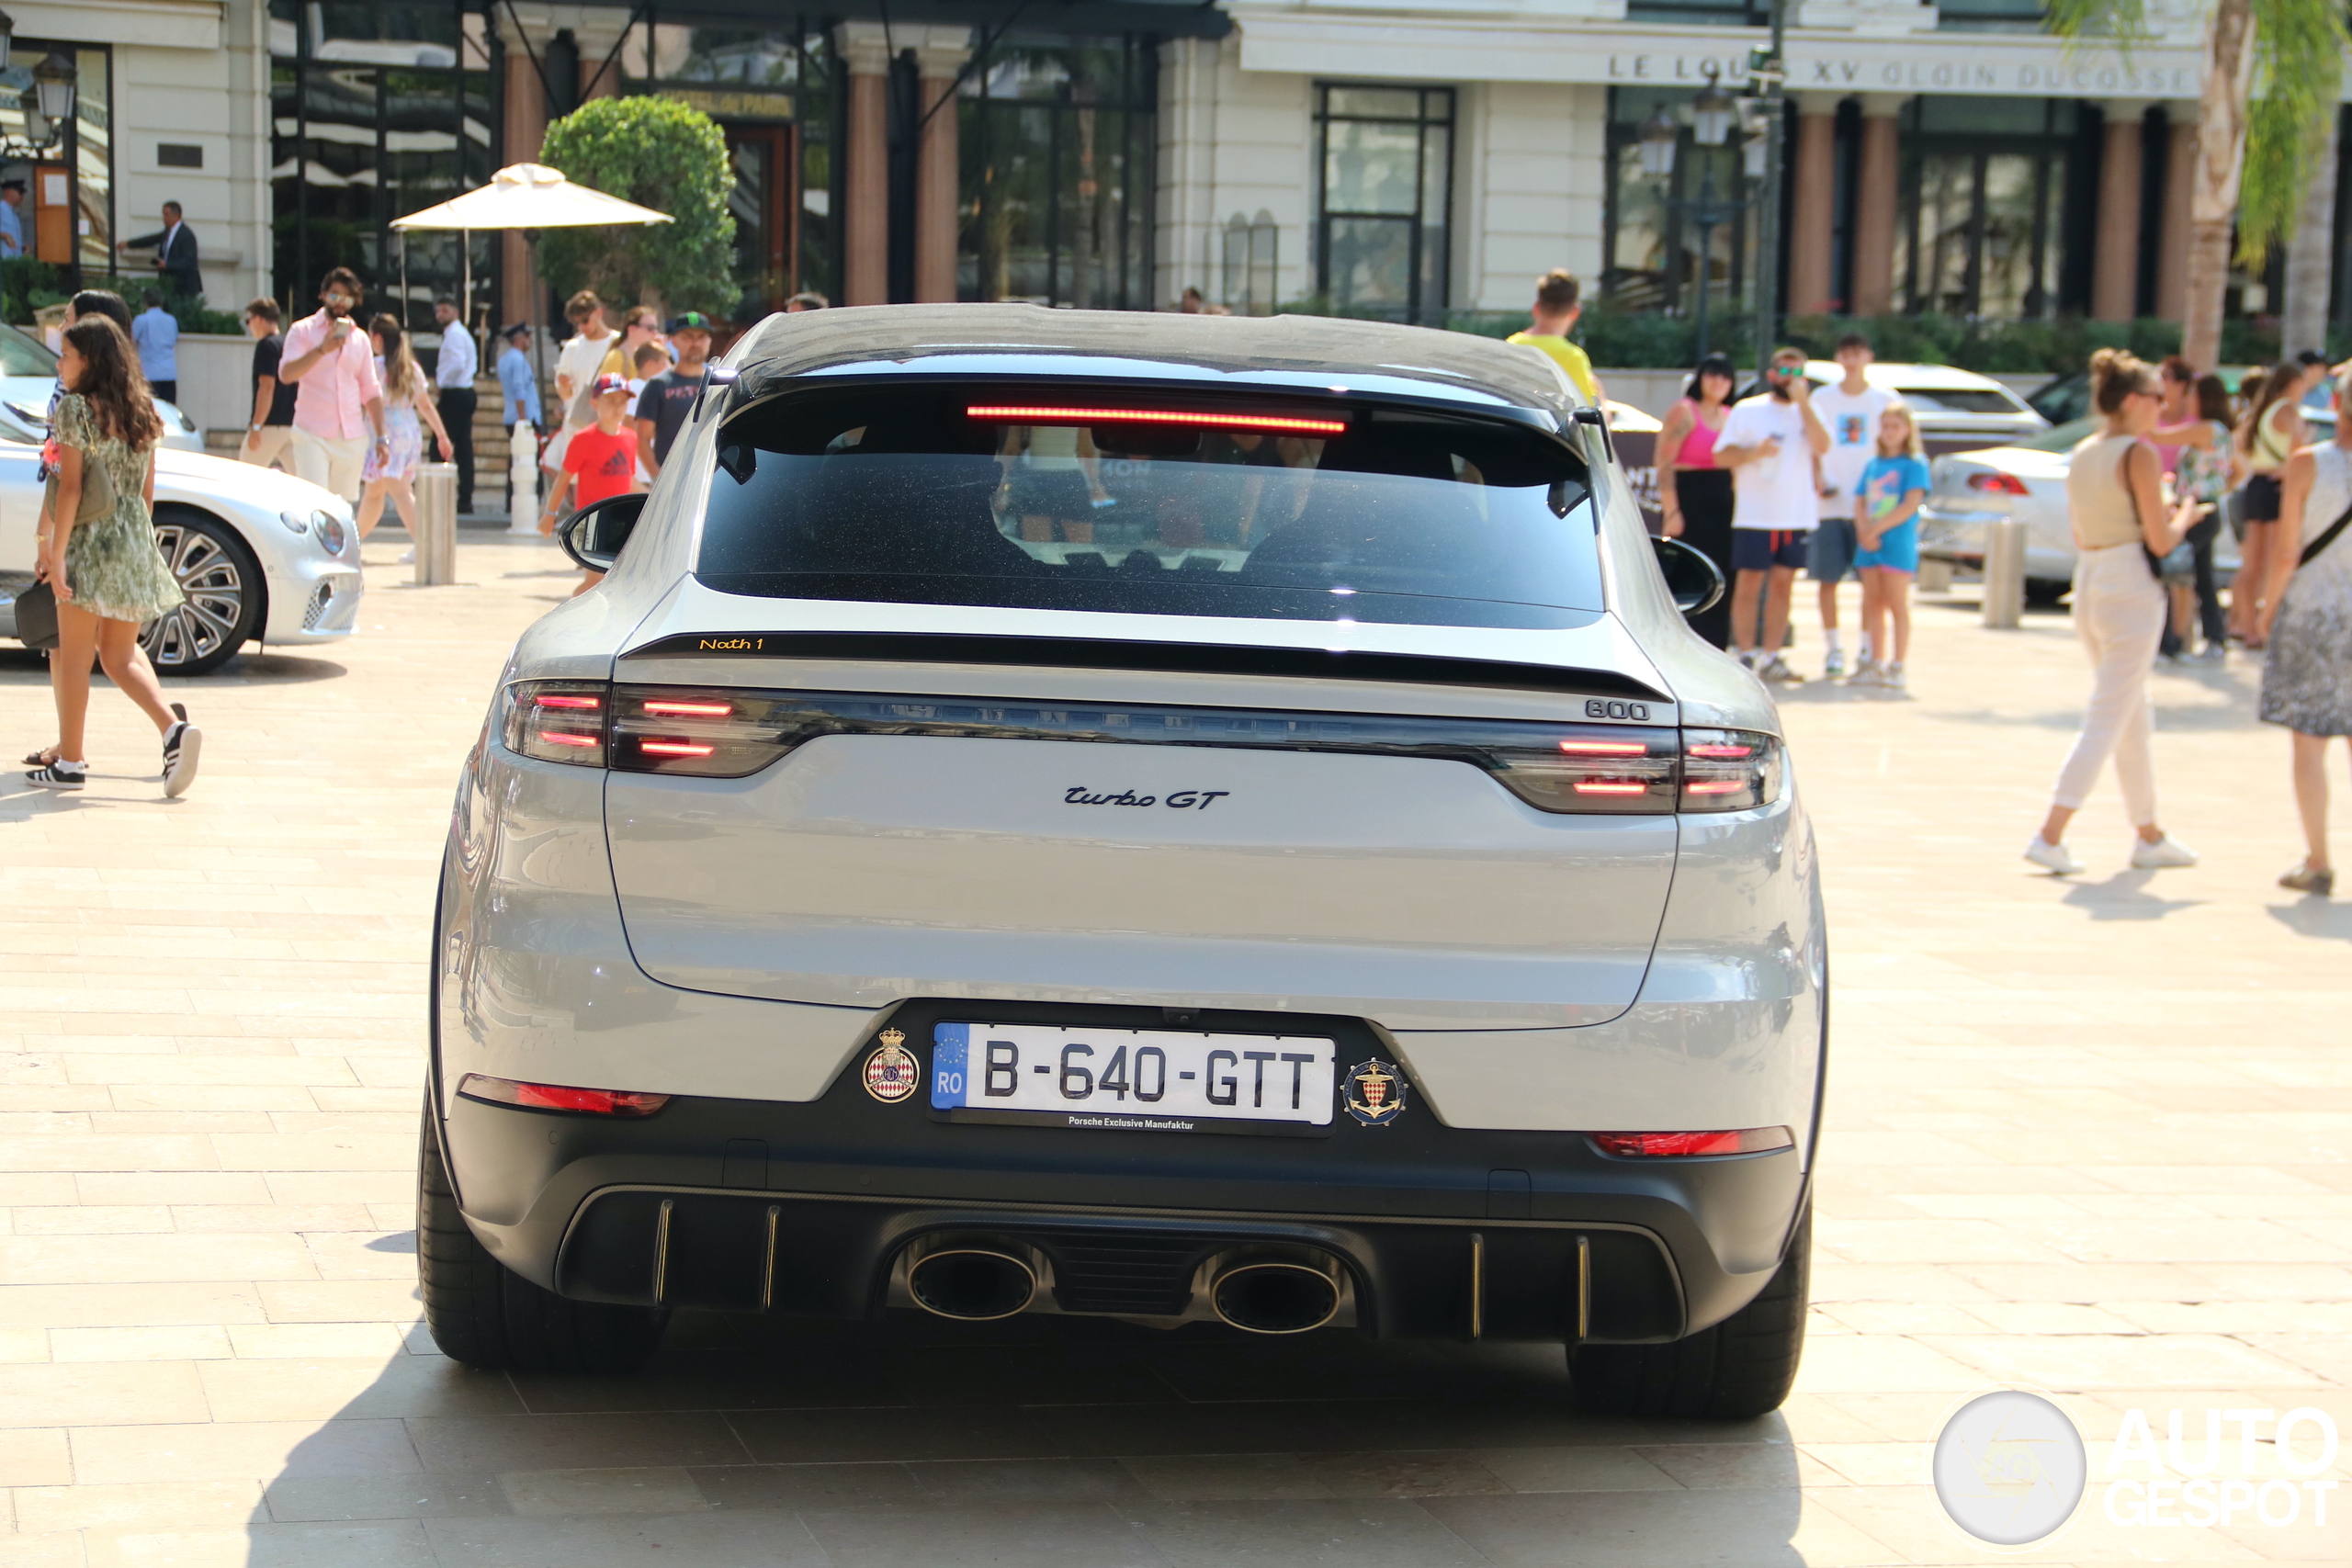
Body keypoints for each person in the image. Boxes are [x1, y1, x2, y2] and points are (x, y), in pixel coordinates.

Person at [2025, 349, 2200, 875]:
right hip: (2128, 582)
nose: (2162, 405)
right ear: (2132, 400)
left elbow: (2080, 531)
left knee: (2129, 713)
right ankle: (2050, 833)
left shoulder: (2085, 451)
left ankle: (2149, 834)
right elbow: (2162, 539)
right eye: (2155, 396)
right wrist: (2188, 512)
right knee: (2109, 714)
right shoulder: (2138, 454)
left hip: (2093, 577)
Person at [22, 318, 200, 796]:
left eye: (66, 356)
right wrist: (137, 549)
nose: (60, 365)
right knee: (120, 656)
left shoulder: (76, 410)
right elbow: (146, 496)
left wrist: (55, 553)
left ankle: (72, 762)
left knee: (75, 658)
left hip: (89, 542)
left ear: (91, 360)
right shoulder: (143, 410)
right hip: (133, 543)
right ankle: (174, 730)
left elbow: (72, 488)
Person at [2256, 367, 2352, 895]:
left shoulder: (2306, 465)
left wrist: (2267, 607)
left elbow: (2288, 548)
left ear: (2337, 407)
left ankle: (2318, 860)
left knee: (2310, 744)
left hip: (2313, 613)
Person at [1716, 345, 1830, 682]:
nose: (1789, 378)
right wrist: (1754, 451)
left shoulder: (1810, 412)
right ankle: (1746, 653)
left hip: (1795, 515)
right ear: (1771, 374)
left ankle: (1773, 655)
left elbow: (1823, 446)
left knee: (1784, 585)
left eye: (1796, 372)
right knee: (1749, 584)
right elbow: (1721, 456)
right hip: (1755, 514)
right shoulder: (1748, 410)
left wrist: (1804, 403)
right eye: (1784, 370)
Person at [1809, 333, 1894, 678]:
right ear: (1837, 358)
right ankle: (1833, 649)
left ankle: (1865, 647)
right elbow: (1812, 445)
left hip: (1871, 510)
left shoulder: (1885, 399)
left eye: (1858, 352)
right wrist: (1818, 478)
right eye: (1846, 352)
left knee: (1871, 585)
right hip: (1830, 504)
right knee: (1827, 580)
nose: (1852, 359)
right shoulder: (1822, 398)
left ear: (1869, 356)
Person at [277, 266, 390, 504]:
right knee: (314, 504)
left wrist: (382, 437)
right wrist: (320, 350)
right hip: (311, 432)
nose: (340, 302)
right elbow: (286, 374)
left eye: (347, 298)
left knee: (341, 508)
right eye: (335, 295)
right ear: (323, 295)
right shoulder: (303, 331)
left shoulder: (359, 339)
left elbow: (370, 388)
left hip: (351, 435)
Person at [2157, 366, 2239, 662]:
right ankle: (2214, 637)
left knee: (2176, 573)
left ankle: (2172, 643)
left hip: (2196, 511)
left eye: (2192, 395)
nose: (2188, 400)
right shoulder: (2220, 431)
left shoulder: (2206, 428)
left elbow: (2158, 435)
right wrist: (2216, 488)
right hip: (2207, 507)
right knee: (2202, 577)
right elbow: (2238, 470)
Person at [1656, 353, 1737, 649]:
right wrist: (1672, 511)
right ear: (1700, 378)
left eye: (1725, 376)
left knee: (1724, 577)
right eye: (1712, 374)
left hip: (1724, 506)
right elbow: (1664, 464)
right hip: (1691, 502)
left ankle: (1717, 646)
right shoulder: (1684, 411)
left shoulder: (1731, 415)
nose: (1718, 382)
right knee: (1688, 575)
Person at [2233, 358, 2313, 648]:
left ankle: (2247, 626)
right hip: (2277, 488)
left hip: (2256, 485)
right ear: (2294, 383)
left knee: (2251, 563)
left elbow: (2242, 446)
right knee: (2275, 559)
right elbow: (2298, 453)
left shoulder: (2260, 411)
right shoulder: (2288, 410)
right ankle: (2265, 625)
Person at [1851, 402, 1929, 691]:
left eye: (1896, 426)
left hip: (1896, 542)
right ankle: (1874, 660)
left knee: (1896, 603)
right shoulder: (1873, 464)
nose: (1890, 432)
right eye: (1885, 426)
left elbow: (1910, 504)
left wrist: (1876, 529)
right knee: (1872, 603)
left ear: (1908, 430)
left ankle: (1898, 664)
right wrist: (1863, 531)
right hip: (1869, 543)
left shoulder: (1915, 463)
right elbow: (1859, 500)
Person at [541, 373, 641, 595]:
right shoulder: (583, 439)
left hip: (622, 521)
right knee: (595, 580)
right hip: (592, 520)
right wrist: (550, 514)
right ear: (594, 403)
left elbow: (628, 478)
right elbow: (563, 479)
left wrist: (653, 498)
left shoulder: (630, 437)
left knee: (617, 579)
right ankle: (570, 617)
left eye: (622, 401)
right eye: (610, 401)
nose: (617, 407)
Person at [356, 314, 451, 546]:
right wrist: (441, 435)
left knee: (399, 493)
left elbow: (363, 400)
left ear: (377, 339)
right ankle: (354, 543)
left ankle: (425, 545)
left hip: (384, 433)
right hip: (408, 430)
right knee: (375, 492)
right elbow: (425, 405)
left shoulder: (374, 367)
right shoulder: (411, 368)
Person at [632, 311, 712, 480]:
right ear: (673, 341)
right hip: (671, 480)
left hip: (712, 479)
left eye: (702, 336)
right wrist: (658, 478)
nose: (696, 342)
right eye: (688, 337)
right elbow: (642, 439)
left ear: (709, 341)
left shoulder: (719, 383)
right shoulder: (658, 385)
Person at [544, 291, 615, 481]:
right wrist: (563, 385)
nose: (582, 327)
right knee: (580, 480)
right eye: (577, 323)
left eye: (585, 320)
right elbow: (566, 395)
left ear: (598, 313)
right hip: (579, 423)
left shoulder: (616, 343)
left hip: (611, 424)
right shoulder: (572, 347)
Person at [1505, 269, 1602, 404]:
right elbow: (1591, 418)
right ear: (1575, 311)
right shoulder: (1573, 357)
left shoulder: (1511, 346)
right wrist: (1600, 393)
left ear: (1536, 307)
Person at [431, 297, 478, 514]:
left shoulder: (455, 335)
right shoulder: (454, 334)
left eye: (445, 310)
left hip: (456, 393)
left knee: (440, 446)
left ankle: (440, 496)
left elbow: (457, 364)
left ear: (456, 312)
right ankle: (464, 498)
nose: (441, 314)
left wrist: (442, 382)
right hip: (462, 393)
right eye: (438, 311)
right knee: (463, 447)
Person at [239, 297, 297, 471]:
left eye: (249, 320)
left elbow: (267, 387)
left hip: (270, 425)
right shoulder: (289, 344)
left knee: (243, 478)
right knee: (303, 481)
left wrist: (257, 426)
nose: (249, 325)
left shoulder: (266, 346)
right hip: (293, 425)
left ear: (258, 319)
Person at [119, 201, 201, 299]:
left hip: (184, 286)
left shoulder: (186, 235)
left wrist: (167, 264)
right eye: (163, 215)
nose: (164, 219)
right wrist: (129, 244)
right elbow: (152, 239)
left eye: (167, 215)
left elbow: (189, 260)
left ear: (177, 215)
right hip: (170, 283)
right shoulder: (168, 232)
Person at [130, 291, 178, 405]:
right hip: (169, 372)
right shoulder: (171, 320)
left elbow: (131, 340)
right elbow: (174, 339)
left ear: (144, 302)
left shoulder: (141, 320)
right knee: (168, 409)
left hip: (149, 371)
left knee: (150, 409)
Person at [0, 179, 24, 260]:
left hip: (13, 261)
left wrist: (22, 248)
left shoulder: (14, 214)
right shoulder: (1, 209)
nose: (22, 196)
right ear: (9, 192)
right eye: (20, 193)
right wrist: (5, 236)